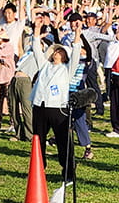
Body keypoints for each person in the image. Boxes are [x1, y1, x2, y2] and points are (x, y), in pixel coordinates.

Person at [30, 14, 82, 184]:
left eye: (60, 51)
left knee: (63, 142)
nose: (56, 53)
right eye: (55, 51)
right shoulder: (44, 66)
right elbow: (37, 50)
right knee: (38, 140)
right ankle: (38, 170)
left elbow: (75, 54)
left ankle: (68, 173)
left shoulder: (67, 69)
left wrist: (77, 34)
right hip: (40, 106)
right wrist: (36, 31)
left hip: (58, 108)